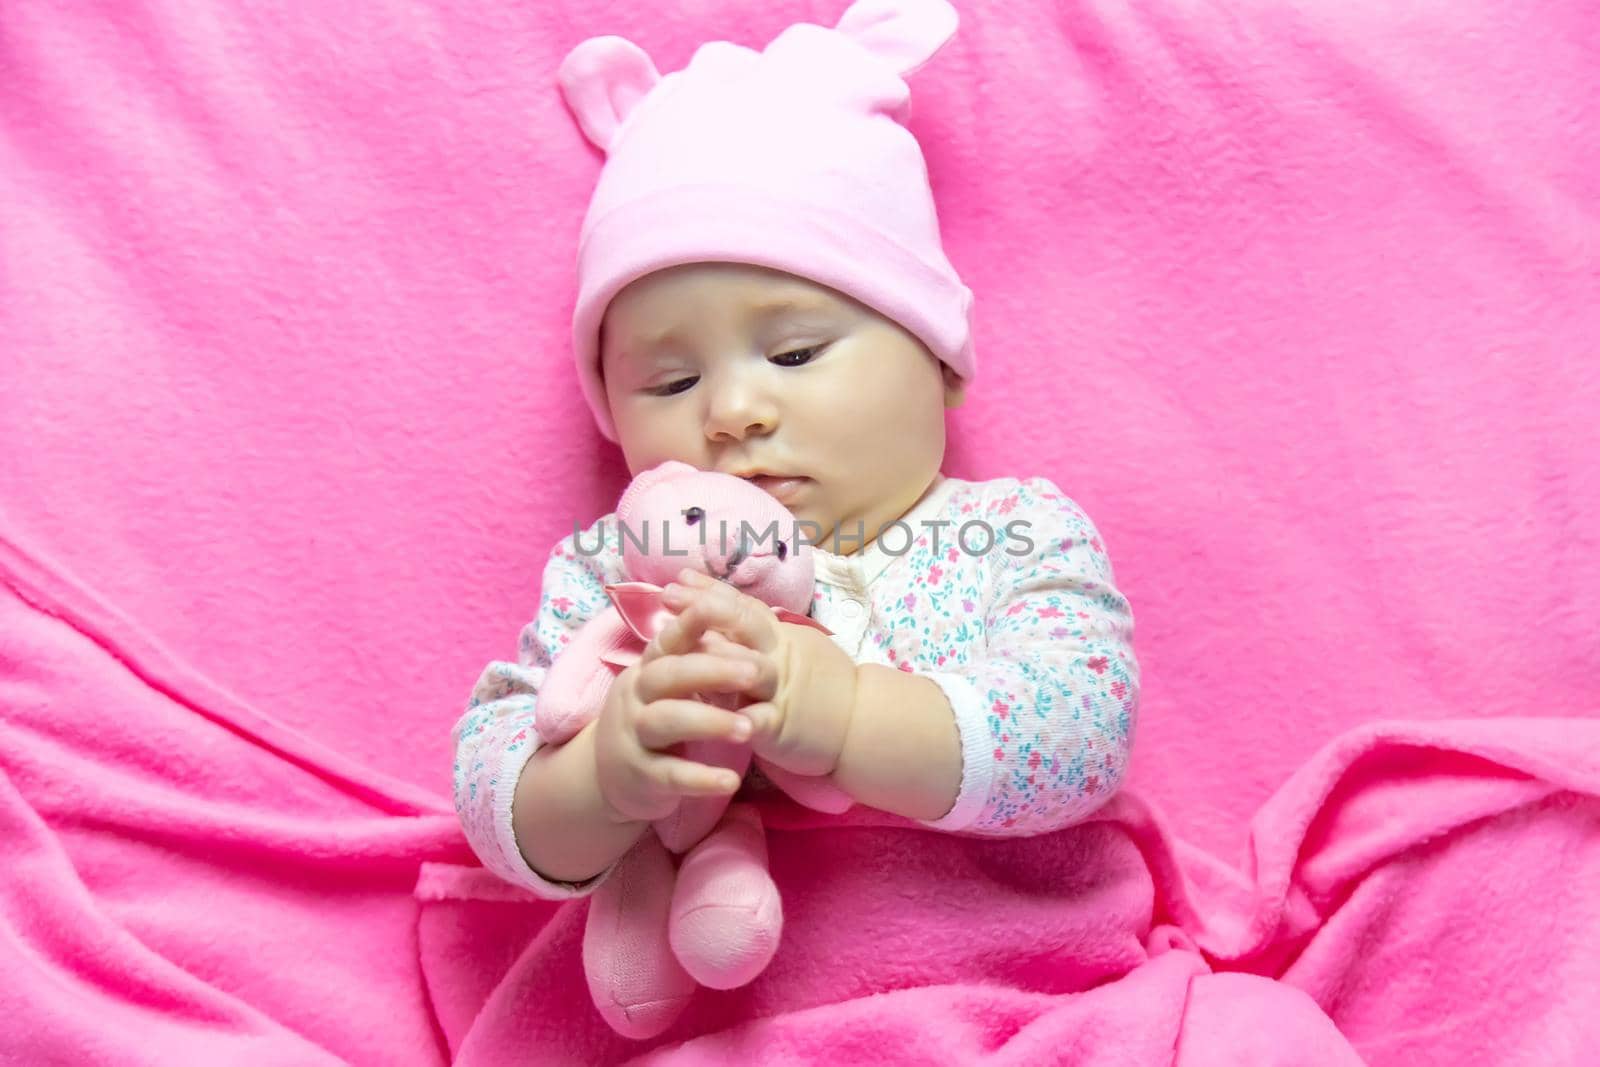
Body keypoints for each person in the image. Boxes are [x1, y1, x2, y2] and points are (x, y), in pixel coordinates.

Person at [452, 0, 1139, 907]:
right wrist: (604, 778)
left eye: (794, 354)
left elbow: (1083, 732)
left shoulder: (1010, 534)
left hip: (1005, 964)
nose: (732, 411)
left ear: (939, 362)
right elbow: (488, 766)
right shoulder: (619, 571)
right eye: (668, 382)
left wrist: (849, 715)